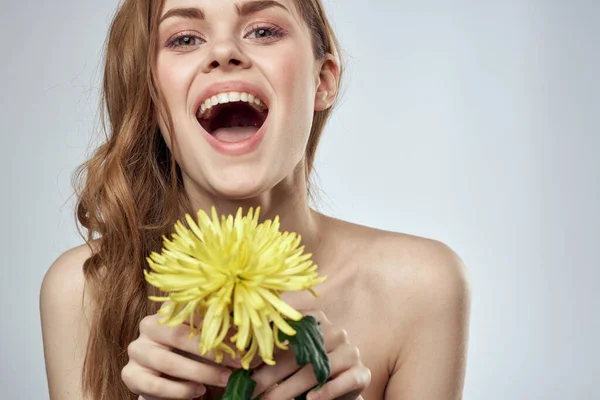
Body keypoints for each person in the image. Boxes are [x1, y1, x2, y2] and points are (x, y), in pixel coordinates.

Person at [40, 0, 471, 399]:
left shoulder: (421, 288)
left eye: (263, 31)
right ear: (152, 99)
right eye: (185, 39)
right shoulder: (82, 292)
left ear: (322, 81)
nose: (224, 51)